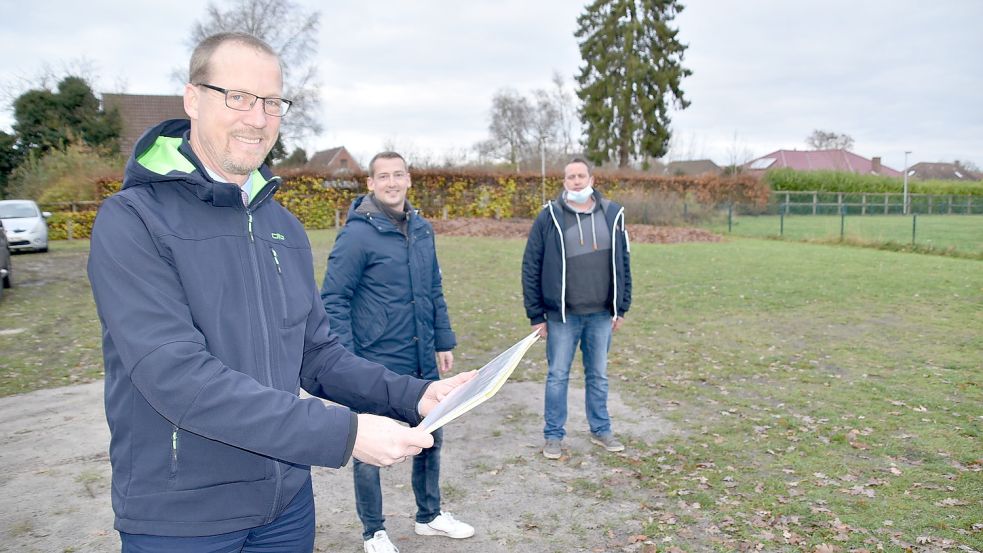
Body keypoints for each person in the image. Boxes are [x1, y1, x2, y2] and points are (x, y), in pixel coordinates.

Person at [87, 32, 473, 552]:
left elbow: (317, 354)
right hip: (183, 518)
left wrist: (414, 394)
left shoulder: (281, 225)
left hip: (285, 505)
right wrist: (346, 433)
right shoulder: (132, 220)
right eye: (238, 97)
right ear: (192, 99)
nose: (257, 117)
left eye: (271, 102)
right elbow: (176, 376)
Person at [321, 151, 474, 553]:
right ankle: (373, 531)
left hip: (421, 356)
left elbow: (433, 290)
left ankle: (429, 516)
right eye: (383, 176)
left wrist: (443, 340)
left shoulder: (423, 230)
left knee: (429, 439)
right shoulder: (356, 235)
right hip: (374, 362)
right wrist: (346, 360)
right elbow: (334, 298)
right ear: (370, 184)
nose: (392, 182)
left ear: (409, 179)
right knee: (369, 447)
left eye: (399, 174)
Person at [521, 157, 632, 460]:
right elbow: (531, 265)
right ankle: (553, 436)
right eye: (571, 177)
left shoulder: (612, 214)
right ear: (564, 182)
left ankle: (601, 429)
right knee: (557, 376)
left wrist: (621, 307)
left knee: (598, 375)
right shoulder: (549, 217)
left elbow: (623, 263)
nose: (576, 181)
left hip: (600, 315)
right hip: (562, 317)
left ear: (591, 179)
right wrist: (536, 314)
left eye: (581, 176)